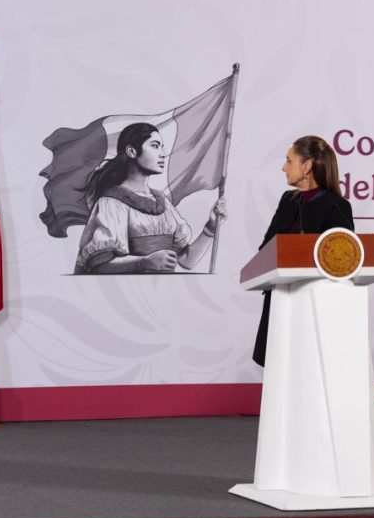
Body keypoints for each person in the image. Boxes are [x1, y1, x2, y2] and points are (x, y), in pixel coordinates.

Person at [252, 135, 354, 366]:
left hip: (314, 307)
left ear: (307, 166)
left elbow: (341, 263)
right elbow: (266, 249)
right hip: (280, 300)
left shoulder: (336, 205)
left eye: (289, 161)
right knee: (280, 371)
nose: (283, 167)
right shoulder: (288, 200)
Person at [74, 122, 227, 274]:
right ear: (132, 151)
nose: (162, 153)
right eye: (155, 146)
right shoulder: (111, 202)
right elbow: (99, 266)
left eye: (161, 147)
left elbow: (187, 261)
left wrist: (210, 228)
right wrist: (143, 263)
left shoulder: (162, 202)